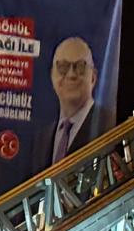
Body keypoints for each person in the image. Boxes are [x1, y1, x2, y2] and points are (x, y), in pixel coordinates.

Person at [34, 37, 105, 171]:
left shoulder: (107, 125)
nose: (71, 74)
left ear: (93, 77)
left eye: (80, 67)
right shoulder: (42, 139)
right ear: (52, 75)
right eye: (63, 67)